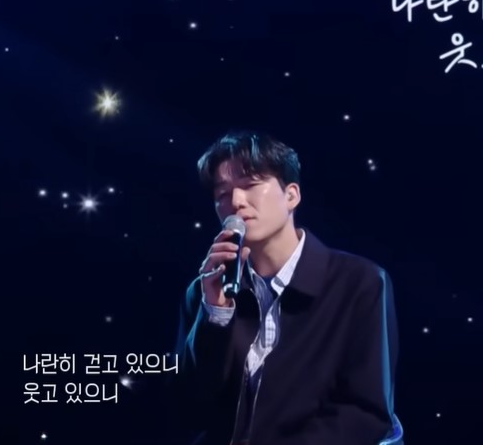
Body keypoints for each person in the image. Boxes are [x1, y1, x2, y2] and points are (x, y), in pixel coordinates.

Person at [169, 130, 402, 445]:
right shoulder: (204, 291)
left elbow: (365, 413)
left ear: (291, 195)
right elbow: (191, 408)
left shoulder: (359, 283)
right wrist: (215, 315)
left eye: (250, 185)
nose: (235, 202)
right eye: (222, 193)